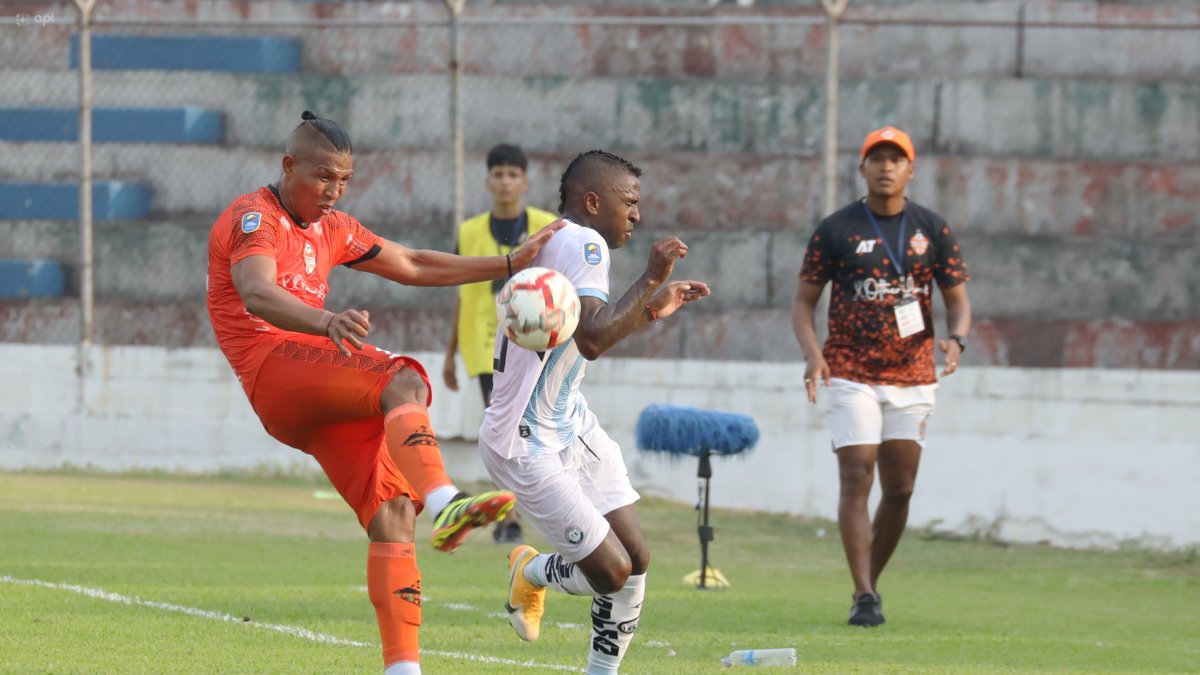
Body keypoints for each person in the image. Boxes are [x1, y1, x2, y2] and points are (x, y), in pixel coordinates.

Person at [205, 111, 562, 674]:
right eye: (324, 177)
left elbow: (413, 263)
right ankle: (447, 501)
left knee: (393, 512)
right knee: (403, 378)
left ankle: (403, 668)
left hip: (314, 401)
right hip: (273, 368)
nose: (334, 191)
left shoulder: (336, 226)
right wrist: (324, 321)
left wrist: (511, 262)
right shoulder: (255, 218)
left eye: (344, 180)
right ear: (288, 165)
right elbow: (256, 293)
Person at [479, 150, 711, 674]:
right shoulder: (585, 243)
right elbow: (592, 338)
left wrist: (650, 307)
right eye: (628, 203)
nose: (635, 214)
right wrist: (652, 276)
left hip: (568, 422)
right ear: (592, 201)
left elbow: (590, 326)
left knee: (637, 561)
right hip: (526, 439)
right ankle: (531, 570)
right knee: (611, 571)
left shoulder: (560, 237)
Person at [792, 126, 972, 627]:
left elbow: (957, 300)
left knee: (900, 489)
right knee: (856, 474)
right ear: (862, 167)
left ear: (910, 170)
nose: (886, 167)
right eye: (877, 158)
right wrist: (813, 355)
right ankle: (865, 592)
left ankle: (868, 579)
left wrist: (955, 339)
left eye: (897, 159)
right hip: (849, 370)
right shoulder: (837, 228)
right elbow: (804, 304)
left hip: (913, 375)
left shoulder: (932, 229)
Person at [442, 143, 558, 544]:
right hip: (485, 348)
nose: (506, 181)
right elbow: (460, 293)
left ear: (525, 181)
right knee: (504, 431)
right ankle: (509, 517)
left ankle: (523, 510)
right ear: (487, 181)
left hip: (536, 346)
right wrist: (449, 354)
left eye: (513, 174)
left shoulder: (548, 227)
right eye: (499, 174)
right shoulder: (469, 231)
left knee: (528, 431)